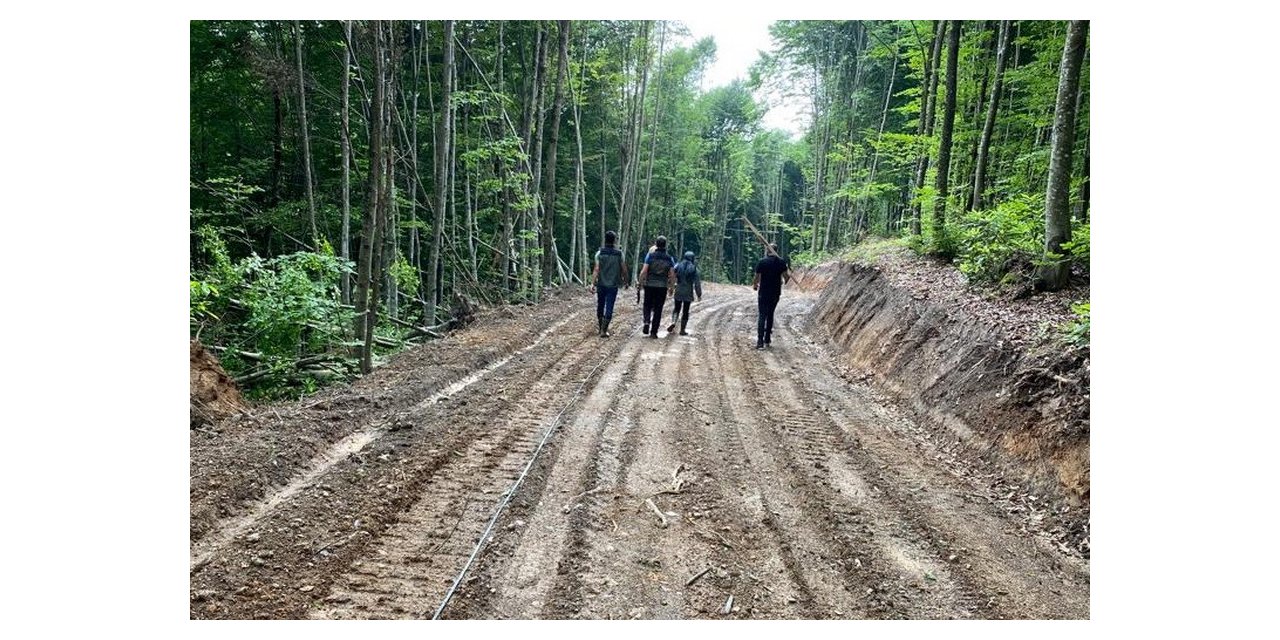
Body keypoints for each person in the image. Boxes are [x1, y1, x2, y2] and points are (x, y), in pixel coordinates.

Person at [751, 243, 790, 349]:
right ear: (776, 250)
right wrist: (783, 280)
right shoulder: (781, 262)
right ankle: (767, 339)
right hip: (775, 293)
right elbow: (786, 278)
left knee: (762, 315)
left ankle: (760, 341)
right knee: (770, 314)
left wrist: (755, 285)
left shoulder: (762, 262)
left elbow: (757, 276)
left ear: (767, 251)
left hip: (763, 292)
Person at [636, 236, 676, 338]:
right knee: (658, 309)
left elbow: (644, 271)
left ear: (656, 244)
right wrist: (671, 287)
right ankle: (654, 332)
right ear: (665, 245)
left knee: (647, 305)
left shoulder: (650, 256)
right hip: (662, 287)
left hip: (650, 285)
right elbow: (672, 274)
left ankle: (646, 321)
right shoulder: (669, 258)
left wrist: (640, 282)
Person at [590, 230, 628, 337]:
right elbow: (624, 270)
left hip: (601, 284)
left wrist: (592, 283)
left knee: (600, 304)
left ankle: (600, 327)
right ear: (614, 241)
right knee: (610, 305)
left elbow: (596, 269)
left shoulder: (599, 253)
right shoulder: (619, 254)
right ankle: (604, 330)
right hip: (613, 284)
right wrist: (626, 281)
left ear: (605, 240)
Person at [667, 250, 702, 336]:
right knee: (686, 311)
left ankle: (673, 321)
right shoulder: (694, 268)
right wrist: (699, 294)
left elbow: (672, 275)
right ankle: (682, 330)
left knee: (676, 308)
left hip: (679, 289)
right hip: (688, 291)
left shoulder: (678, 265)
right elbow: (697, 284)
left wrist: (670, 288)